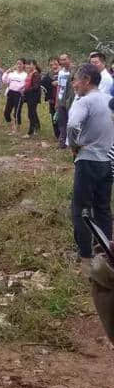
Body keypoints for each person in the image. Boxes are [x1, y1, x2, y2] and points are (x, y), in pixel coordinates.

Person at [67, 63, 114, 275]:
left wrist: (74, 145)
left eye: (76, 80)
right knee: (103, 209)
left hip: (87, 161)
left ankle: (85, 258)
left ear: (86, 80)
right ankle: (105, 255)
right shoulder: (108, 100)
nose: (74, 84)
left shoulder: (84, 101)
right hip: (107, 162)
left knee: (81, 209)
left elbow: (71, 125)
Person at [2, 59, 26, 134]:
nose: (18, 65)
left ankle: (17, 130)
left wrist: (22, 90)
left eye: (20, 64)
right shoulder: (12, 74)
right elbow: (5, 81)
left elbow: (26, 85)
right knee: (6, 112)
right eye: (17, 64)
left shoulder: (25, 75)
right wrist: (7, 72)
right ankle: (11, 128)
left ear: (24, 65)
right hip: (11, 93)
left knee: (16, 113)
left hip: (19, 94)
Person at [55, 53, 74, 149]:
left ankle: (71, 142)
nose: (63, 62)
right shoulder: (61, 72)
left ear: (69, 59)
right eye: (61, 60)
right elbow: (59, 86)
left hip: (71, 100)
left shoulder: (73, 72)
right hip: (61, 99)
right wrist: (57, 100)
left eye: (65, 59)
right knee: (61, 121)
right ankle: (62, 143)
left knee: (71, 122)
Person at [41, 56, 60, 139]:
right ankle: (57, 136)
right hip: (52, 100)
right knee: (54, 117)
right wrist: (51, 83)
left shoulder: (65, 74)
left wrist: (59, 82)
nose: (54, 66)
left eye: (55, 64)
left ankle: (64, 136)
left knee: (63, 117)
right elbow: (42, 84)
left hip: (63, 100)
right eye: (51, 65)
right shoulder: (48, 75)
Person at [22, 59, 42, 137]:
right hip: (29, 96)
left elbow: (36, 87)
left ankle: (31, 131)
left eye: (29, 64)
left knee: (31, 114)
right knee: (33, 112)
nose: (27, 66)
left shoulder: (36, 74)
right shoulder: (29, 73)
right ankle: (37, 127)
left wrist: (26, 91)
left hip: (34, 96)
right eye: (27, 64)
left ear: (34, 65)